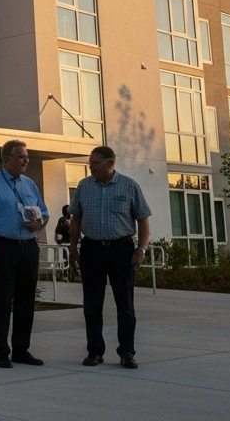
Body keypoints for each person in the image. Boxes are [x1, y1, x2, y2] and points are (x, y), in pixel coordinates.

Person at [68, 146, 151, 369]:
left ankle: (127, 352)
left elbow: (143, 218)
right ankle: (95, 351)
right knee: (92, 304)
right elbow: (76, 217)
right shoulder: (84, 186)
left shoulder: (129, 185)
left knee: (125, 305)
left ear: (110, 163)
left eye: (95, 162)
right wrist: (73, 246)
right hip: (92, 249)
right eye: (90, 162)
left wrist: (141, 249)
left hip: (121, 250)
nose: (91, 166)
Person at [0, 139, 48, 368]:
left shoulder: (30, 184)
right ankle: (2, 352)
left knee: (26, 300)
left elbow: (44, 213)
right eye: (21, 156)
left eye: (27, 156)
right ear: (7, 159)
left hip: (28, 247)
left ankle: (21, 350)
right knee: (4, 300)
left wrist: (40, 224)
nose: (26, 160)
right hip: (3, 247)